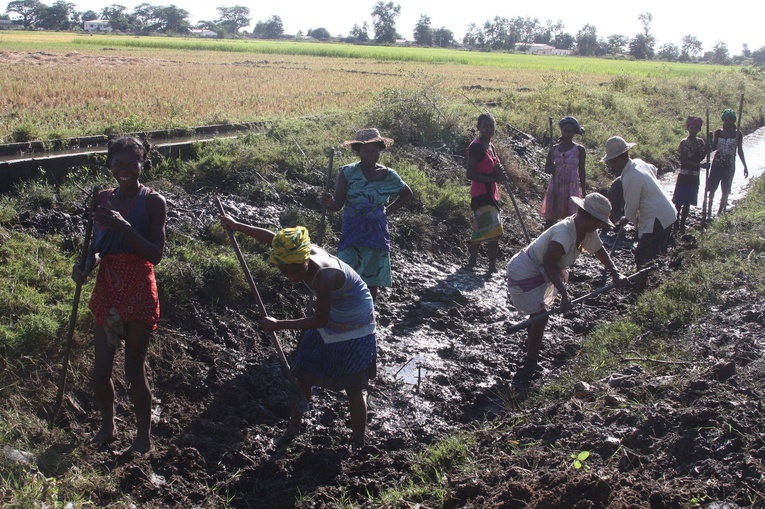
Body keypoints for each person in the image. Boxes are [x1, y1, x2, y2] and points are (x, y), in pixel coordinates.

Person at [215, 220, 377, 450]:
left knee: (353, 385)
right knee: (302, 376)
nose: (290, 274)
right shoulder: (292, 249)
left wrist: (279, 324)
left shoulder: (324, 276)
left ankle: (358, 439)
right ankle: (294, 427)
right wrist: (236, 226)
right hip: (330, 312)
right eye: (285, 269)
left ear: (305, 259)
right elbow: (271, 237)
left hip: (355, 320)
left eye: (295, 269)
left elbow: (320, 320)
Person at [72, 136, 167, 454]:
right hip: (108, 285)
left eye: (132, 164)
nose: (125, 169)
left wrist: (125, 227)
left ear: (143, 164)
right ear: (109, 164)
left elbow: (155, 254)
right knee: (101, 371)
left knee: (133, 369)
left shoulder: (153, 202)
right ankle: (108, 427)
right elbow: (96, 248)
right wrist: (85, 266)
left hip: (139, 285)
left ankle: (143, 438)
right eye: (118, 163)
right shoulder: (100, 198)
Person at [506, 193, 626, 371]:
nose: (601, 226)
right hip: (525, 271)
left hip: (541, 269)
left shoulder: (586, 230)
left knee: (538, 314)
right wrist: (564, 294)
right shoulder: (564, 232)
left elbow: (600, 250)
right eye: (599, 221)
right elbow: (549, 264)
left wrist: (615, 272)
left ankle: (531, 345)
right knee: (541, 316)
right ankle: (530, 362)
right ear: (589, 218)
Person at [321, 128, 413, 302]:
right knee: (346, 272)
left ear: (380, 150)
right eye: (365, 151)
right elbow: (337, 205)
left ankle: (369, 316)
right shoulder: (347, 172)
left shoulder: (389, 175)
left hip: (376, 232)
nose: (370, 154)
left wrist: (387, 211)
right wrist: (329, 202)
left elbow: (407, 194)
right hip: (352, 232)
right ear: (358, 152)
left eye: (374, 150)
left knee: (372, 278)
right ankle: (346, 311)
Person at [602, 136, 676, 292]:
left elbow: (631, 205)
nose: (612, 165)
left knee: (642, 255)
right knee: (651, 252)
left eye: (614, 161)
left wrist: (626, 218)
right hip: (666, 211)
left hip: (657, 217)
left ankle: (640, 289)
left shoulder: (630, 178)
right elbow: (654, 169)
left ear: (624, 156)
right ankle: (650, 281)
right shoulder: (639, 163)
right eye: (611, 162)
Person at [465, 112, 507, 273]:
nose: (489, 129)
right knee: (483, 228)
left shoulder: (491, 147)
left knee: (494, 230)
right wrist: (493, 178)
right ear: (479, 128)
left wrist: (499, 174)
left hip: (492, 194)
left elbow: (496, 169)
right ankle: (472, 262)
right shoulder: (476, 146)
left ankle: (491, 266)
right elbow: (470, 174)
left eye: (491, 126)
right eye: (485, 126)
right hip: (481, 194)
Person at [541, 116, 587, 230]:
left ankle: (569, 241)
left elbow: (581, 170)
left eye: (570, 131)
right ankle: (547, 239)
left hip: (571, 185)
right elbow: (546, 168)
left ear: (574, 132)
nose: (567, 134)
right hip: (556, 184)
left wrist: (584, 190)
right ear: (561, 131)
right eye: (565, 131)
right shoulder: (554, 149)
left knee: (571, 218)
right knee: (551, 217)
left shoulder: (579, 150)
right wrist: (552, 168)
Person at [707, 108, 748, 217]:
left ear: (734, 121)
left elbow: (739, 150)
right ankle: (709, 210)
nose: (728, 122)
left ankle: (720, 212)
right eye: (726, 120)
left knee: (725, 189)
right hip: (717, 163)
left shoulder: (737, 134)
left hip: (729, 165)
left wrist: (745, 166)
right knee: (712, 189)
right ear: (723, 120)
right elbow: (714, 147)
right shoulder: (718, 132)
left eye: (730, 120)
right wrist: (709, 141)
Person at [672, 116, 709, 233]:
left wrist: (707, 150)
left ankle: (682, 223)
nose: (693, 130)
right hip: (684, 175)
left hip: (694, 176)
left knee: (688, 202)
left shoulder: (700, 142)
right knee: (678, 201)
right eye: (691, 128)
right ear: (688, 128)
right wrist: (700, 166)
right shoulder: (684, 142)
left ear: (699, 130)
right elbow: (684, 160)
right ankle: (675, 222)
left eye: (695, 128)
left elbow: (701, 157)